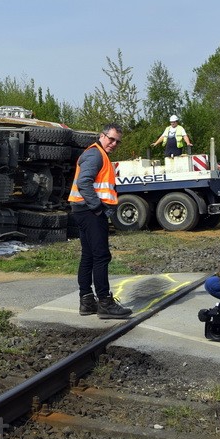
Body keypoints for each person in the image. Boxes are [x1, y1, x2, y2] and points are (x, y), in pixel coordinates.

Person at [69, 122, 131, 319]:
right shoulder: (95, 154)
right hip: (90, 211)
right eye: (111, 139)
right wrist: (98, 208)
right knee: (101, 256)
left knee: (89, 256)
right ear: (102, 135)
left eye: (117, 141)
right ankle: (104, 302)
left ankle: (87, 301)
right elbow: (84, 182)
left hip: (84, 210)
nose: (113, 143)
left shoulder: (98, 154)